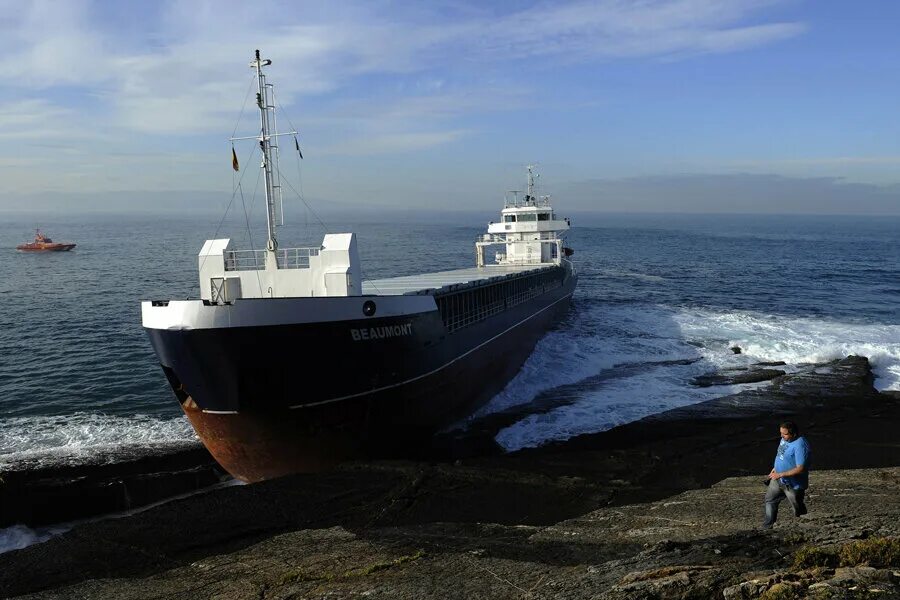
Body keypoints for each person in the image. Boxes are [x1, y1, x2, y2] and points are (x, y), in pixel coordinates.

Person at [762, 421, 810, 529]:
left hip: (793, 484)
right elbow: (781, 455)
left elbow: (801, 468)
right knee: (770, 500)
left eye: (785, 434)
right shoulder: (784, 439)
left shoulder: (801, 445)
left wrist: (781, 474)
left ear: (794, 434)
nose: (781, 436)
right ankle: (767, 526)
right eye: (781, 433)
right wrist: (775, 469)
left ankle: (806, 524)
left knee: (798, 509)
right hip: (777, 479)